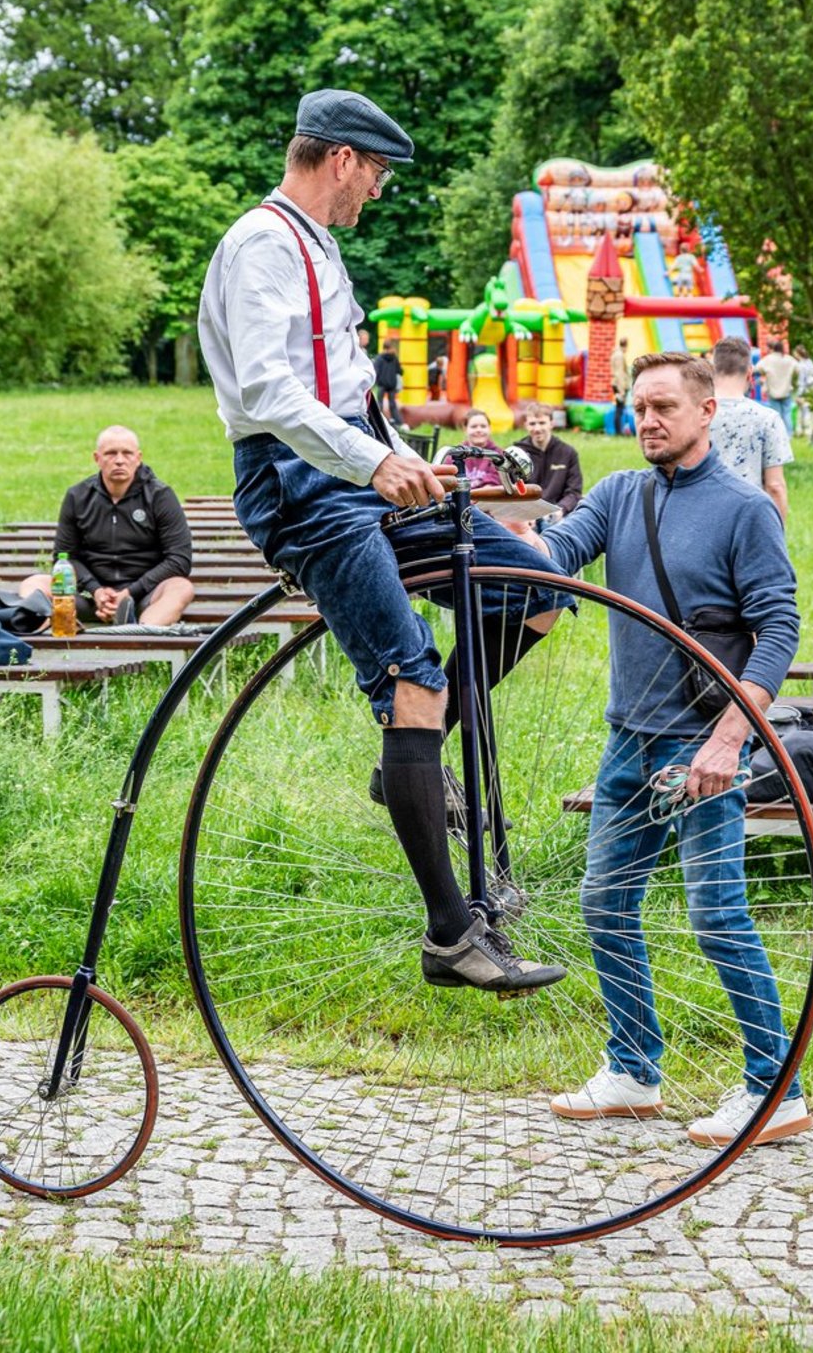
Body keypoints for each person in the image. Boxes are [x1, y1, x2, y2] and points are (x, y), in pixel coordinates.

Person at [198, 87, 573, 995]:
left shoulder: (319, 248)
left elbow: (349, 389)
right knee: (412, 678)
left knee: (537, 591)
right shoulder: (259, 247)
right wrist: (374, 465)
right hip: (303, 488)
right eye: (376, 175)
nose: (377, 193)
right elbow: (273, 394)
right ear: (339, 160)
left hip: (361, 475)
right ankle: (453, 932)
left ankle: (413, 756)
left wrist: (410, 460)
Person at [515, 351, 810, 1147]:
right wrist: (498, 527)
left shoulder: (745, 511)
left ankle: (774, 1088)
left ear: (707, 412)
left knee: (717, 917)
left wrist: (730, 738)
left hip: (705, 742)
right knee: (605, 904)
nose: (647, 421)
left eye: (663, 408)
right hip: (627, 742)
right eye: (638, 408)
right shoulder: (618, 493)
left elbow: (779, 628)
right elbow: (558, 555)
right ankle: (634, 1068)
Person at [19, 426, 194, 626]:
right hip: (89, 597)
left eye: (127, 453)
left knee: (181, 588)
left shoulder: (160, 496)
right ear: (97, 458)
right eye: (111, 453)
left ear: (138, 457)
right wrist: (97, 591)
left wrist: (130, 592)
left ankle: (142, 635)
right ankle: (46, 638)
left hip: (143, 596)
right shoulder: (77, 496)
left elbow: (179, 560)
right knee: (33, 584)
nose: (119, 460)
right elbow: (65, 556)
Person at [710, 336, 792, 520]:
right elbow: (775, 486)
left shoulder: (695, 414)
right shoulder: (767, 418)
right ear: (749, 374)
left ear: (712, 371)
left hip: (701, 520)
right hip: (749, 520)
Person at [515, 404, 583, 523]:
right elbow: (513, 489)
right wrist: (526, 513)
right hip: (527, 515)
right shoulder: (517, 453)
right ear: (526, 425)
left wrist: (561, 509)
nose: (537, 429)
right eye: (532, 424)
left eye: (542, 423)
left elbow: (574, 492)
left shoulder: (567, 453)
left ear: (552, 423)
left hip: (558, 513)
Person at [754, 340, 797, 436]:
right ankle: (789, 435)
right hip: (786, 390)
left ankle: (779, 434)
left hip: (773, 391)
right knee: (787, 413)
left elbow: (757, 369)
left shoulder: (767, 359)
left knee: (777, 414)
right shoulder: (788, 359)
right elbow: (798, 369)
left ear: (772, 348)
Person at [461, 409, 504, 486]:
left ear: (490, 429)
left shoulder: (498, 454)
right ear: (465, 429)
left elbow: (495, 478)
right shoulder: (456, 453)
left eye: (483, 426)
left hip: (487, 496)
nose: (479, 430)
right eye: (474, 427)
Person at [374, 337, 403, 426]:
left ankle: (379, 422)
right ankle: (398, 421)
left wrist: (377, 381)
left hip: (381, 384)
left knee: (380, 404)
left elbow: (376, 371)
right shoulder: (394, 358)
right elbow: (400, 371)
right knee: (392, 404)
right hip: (392, 384)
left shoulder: (379, 358)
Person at [610, 337, 631, 435]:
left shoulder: (616, 354)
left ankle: (619, 430)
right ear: (626, 345)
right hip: (619, 385)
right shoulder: (619, 355)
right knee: (619, 409)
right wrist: (621, 390)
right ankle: (618, 431)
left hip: (617, 384)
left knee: (619, 408)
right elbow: (620, 374)